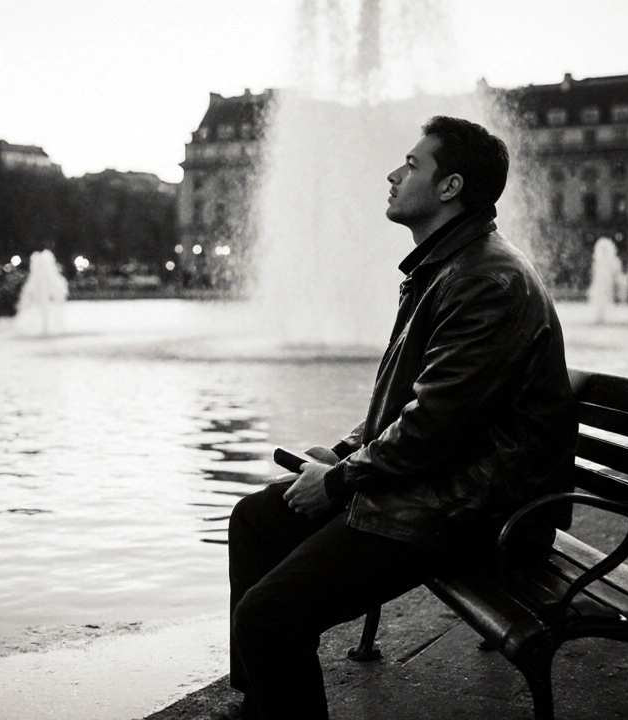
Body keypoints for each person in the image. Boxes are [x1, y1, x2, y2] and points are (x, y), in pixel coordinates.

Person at [223, 116, 578, 720]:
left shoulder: (484, 280)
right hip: (445, 491)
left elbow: (434, 426)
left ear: (449, 188)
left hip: (475, 513)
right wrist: (343, 453)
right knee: (256, 517)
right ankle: (263, 705)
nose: (393, 174)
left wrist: (339, 482)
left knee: (268, 613)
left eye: (412, 165)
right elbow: (413, 402)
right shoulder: (449, 266)